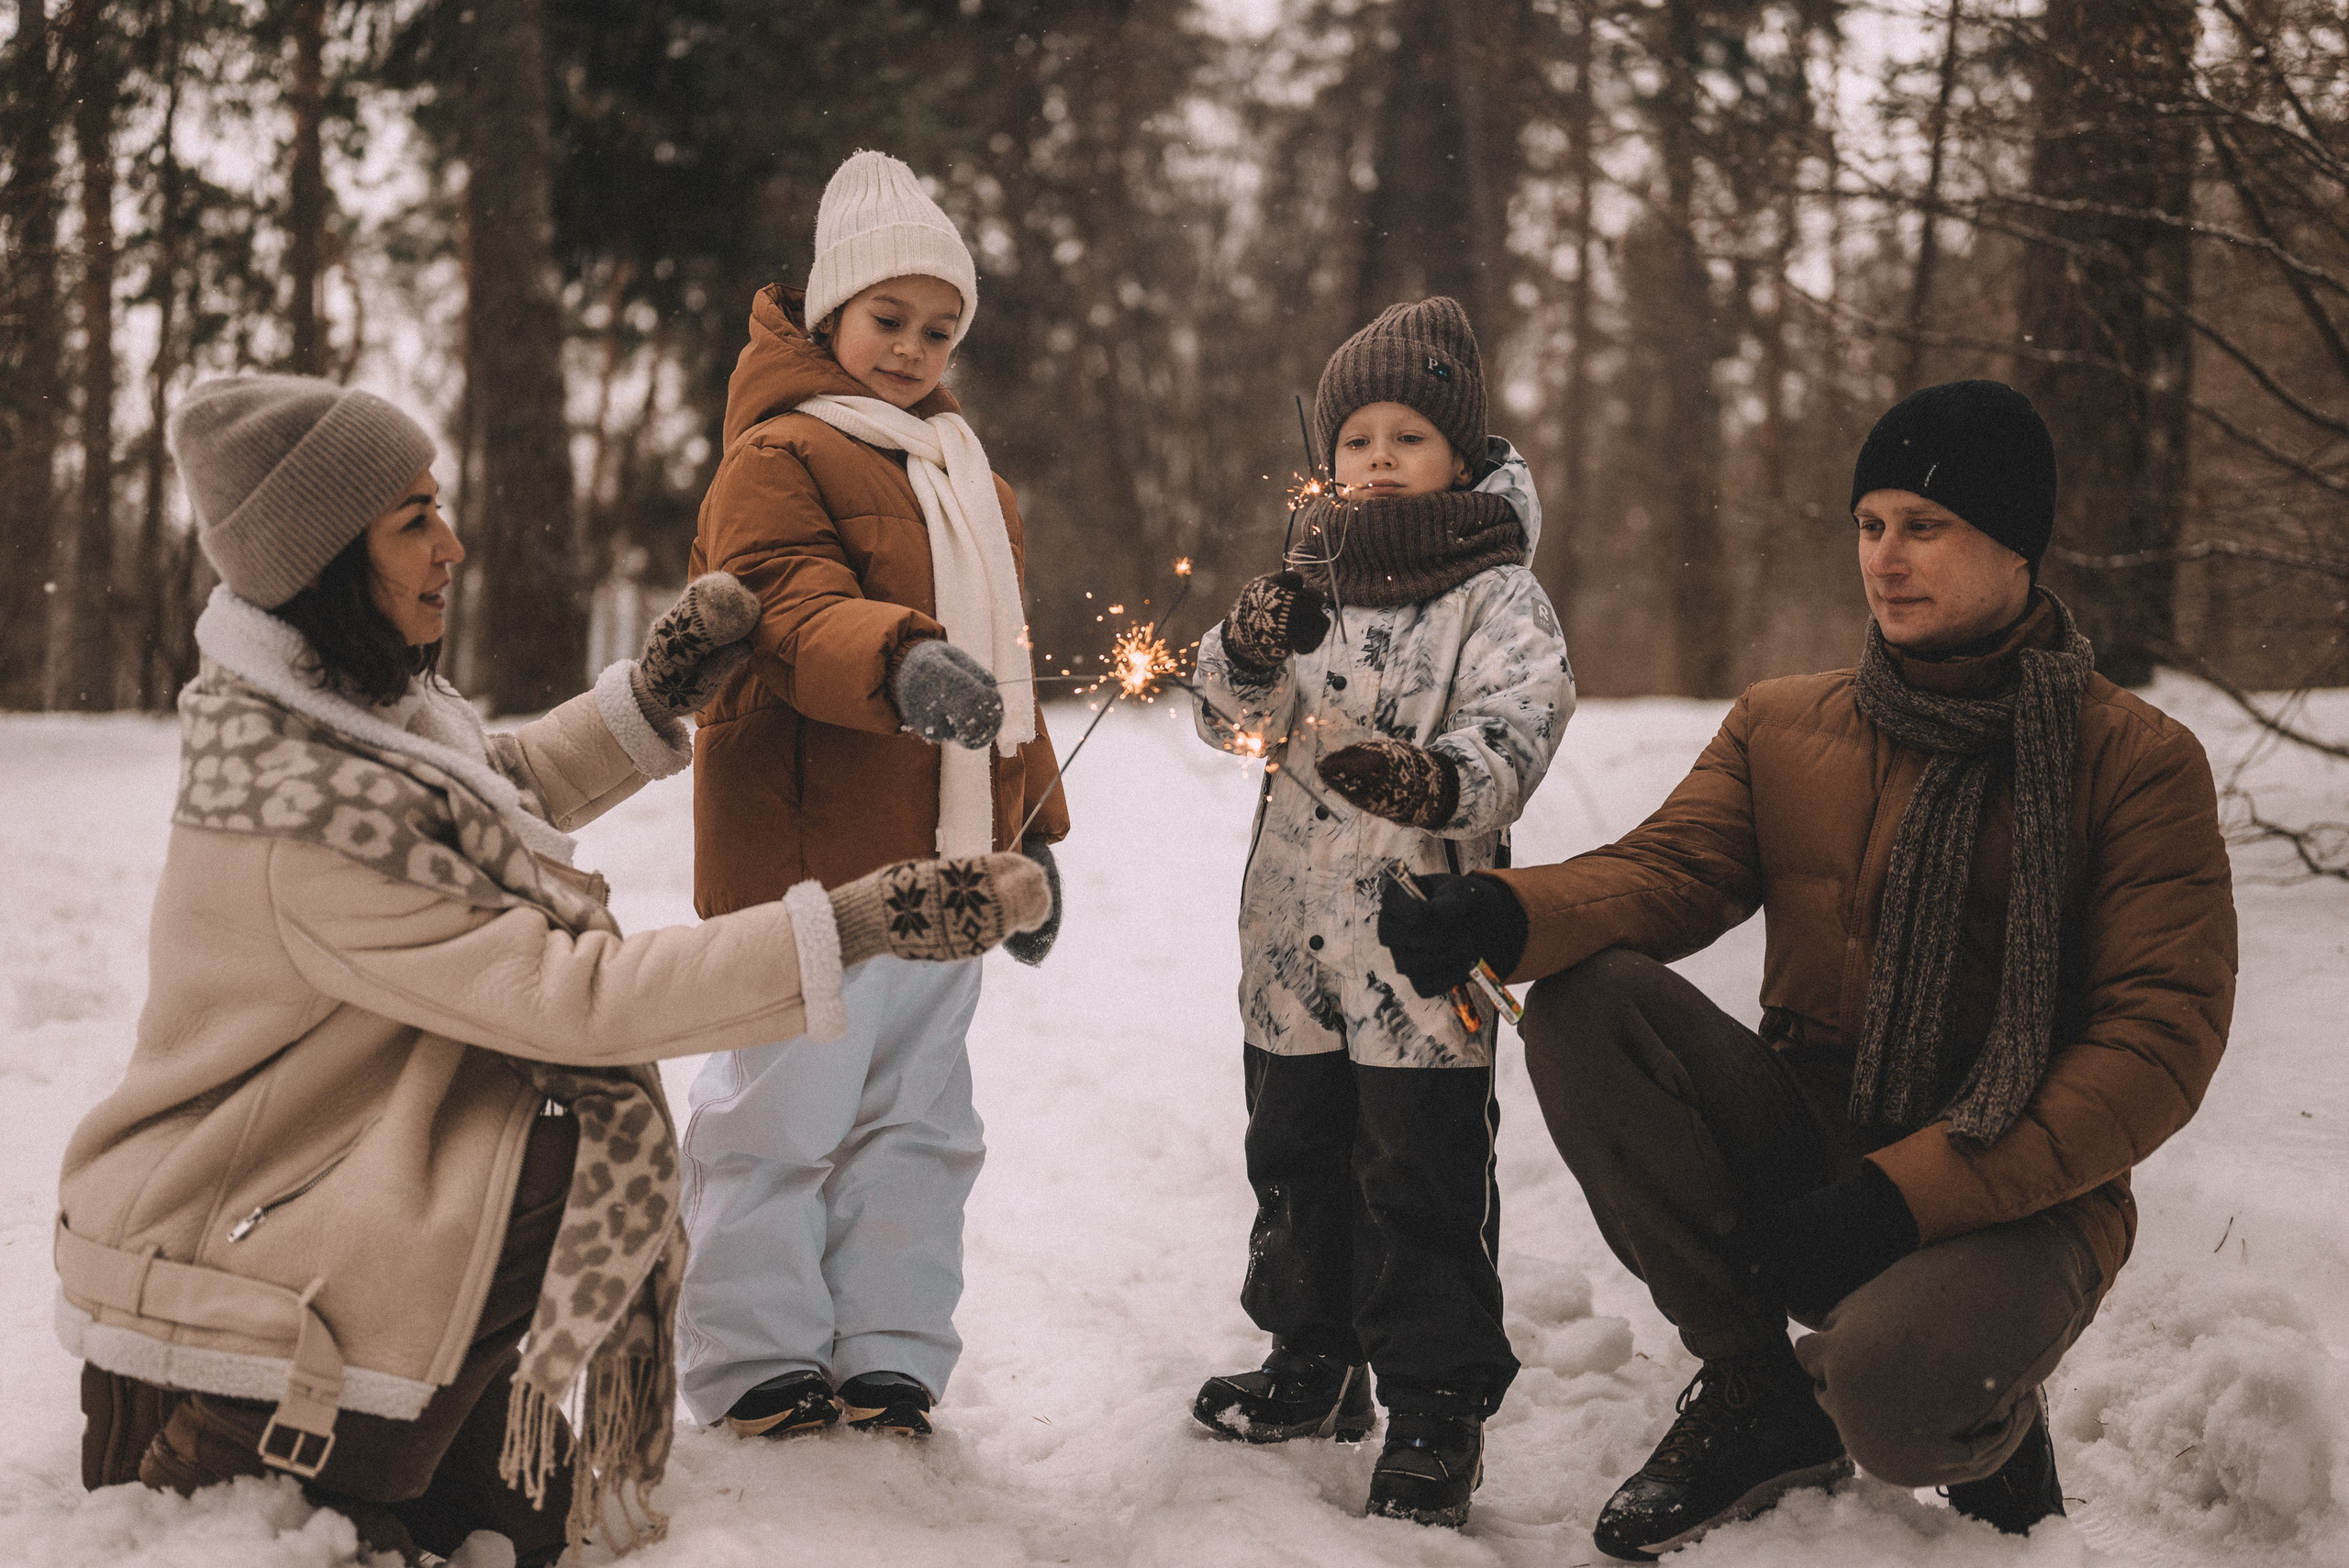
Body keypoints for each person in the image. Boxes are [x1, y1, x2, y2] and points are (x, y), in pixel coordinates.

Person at [56, 373, 1051, 1568]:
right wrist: (853, 924)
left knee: (517, 1528)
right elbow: (575, 998)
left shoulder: (337, 724)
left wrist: (654, 696)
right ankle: (245, 1458)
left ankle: (395, 1436)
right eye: (411, 519)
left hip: (307, 1204)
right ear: (324, 560)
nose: (452, 544)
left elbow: (494, 795)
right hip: (224, 1296)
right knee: (550, 1133)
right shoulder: (300, 822)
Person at [1378, 380, 2237, 1561]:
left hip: (2025, 1180)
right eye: (1869, 525)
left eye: (1923, 526)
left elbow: (2156, 1047)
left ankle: (1978, 1408)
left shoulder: (2134, 761)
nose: (1885, 559)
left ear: (2015, 543)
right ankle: (1758, 1397)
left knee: (1895, 1397)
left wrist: (1903, 1195)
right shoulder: (1787, 722)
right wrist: (1503, 910)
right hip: (1819, 1116)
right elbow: (1667, 871)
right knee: (1586, 1002)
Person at [674, 149, 1070, 1446]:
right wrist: (902, 662)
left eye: (938, 328)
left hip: (945, 863)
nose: (911, 348)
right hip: (808, 862)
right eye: (888, 319)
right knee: (779, 1117)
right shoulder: (773, 457)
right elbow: (786, 607)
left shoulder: (970, 476)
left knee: (919, 1119)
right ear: (831, 311)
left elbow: (1006, 671)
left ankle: (887, 1349)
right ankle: (753, 1359)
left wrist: (1034, 839)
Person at [1186, 297, 1575, 1528]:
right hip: (1292, 937)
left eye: (1409, 434)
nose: (1379, 458)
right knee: (1294, 1152)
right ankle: (1313, 1356)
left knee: (1418, 1170)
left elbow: (1524, 720)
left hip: (1417, 941)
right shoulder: (1310, 574)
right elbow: (1221, 715)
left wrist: (1433, 780)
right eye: (1358, 437)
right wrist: (1248, 646)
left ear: (1461, 454)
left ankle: (1432, 1404)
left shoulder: (1495, 591)